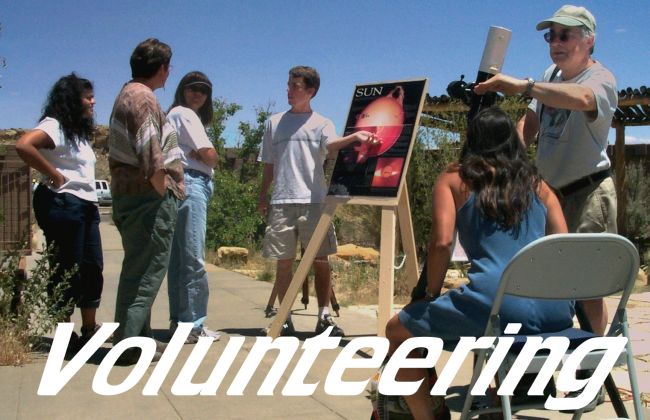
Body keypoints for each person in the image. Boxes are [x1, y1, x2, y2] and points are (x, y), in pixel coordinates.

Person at [385, 107, 576, 419]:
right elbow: (562, 245)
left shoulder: (455, 179)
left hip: (497, 304)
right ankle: (498, 405)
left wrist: (430, 294)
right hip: (555, 309)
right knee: (490, 327)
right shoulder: (538, 186)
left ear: (470, 140)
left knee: (397, 331)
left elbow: (442, 243)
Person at [474, 5, 617, 337]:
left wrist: (525, 85)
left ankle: (592, 364)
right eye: (550, 35)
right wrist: (508, 160)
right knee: (554, 281)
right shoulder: (551, 74)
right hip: (552, 195)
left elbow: (582, 98)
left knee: (587, 287)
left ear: (589, 39)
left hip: (588, 193)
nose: (556, 42)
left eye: (564, 34)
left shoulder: (600, 79)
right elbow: (532, 121)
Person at [258, 65, 377, 336]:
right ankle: (284, 317)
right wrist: (262, 196)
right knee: (284, 262)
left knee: (321, 260)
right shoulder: (274, 123)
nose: (288, 90)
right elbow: (268, 163)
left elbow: (332, 144)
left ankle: (324, 317)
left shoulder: (322, 123)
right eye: (288, 84)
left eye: (295, 86)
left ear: (310, 91)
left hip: (314, 202)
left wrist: (356, 137)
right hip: (281, 202)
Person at [108, 38, 184, 364]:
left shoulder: (129, 94)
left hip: (133, 196)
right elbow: (152, 155)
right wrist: (163, 189)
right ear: (163, 68)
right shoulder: (143, 99)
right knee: (147, 272)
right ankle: (128, 345)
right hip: (148, 199)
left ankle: (140, 339)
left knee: (138, 268)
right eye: (169, 68)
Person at [16, 73, 103, 351]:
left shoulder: (77, 132)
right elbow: (24, 145)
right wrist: (52, 173)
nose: (93, 101)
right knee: (67, 268)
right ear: (71, 99)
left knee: (92, 267)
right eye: (87, 97)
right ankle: (66, 336)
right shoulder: (54, 125)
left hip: (86, 204)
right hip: (64, 203)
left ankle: (89, 329)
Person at [166, 71, 220, 343]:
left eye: (203, 90)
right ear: (182, 90)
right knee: (193, 258)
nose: (198, 94)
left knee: (179, 260)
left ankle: (180, 322)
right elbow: (212, 157)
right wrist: (204, 154)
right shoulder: (185, 115)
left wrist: (202, 154)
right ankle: (193, 325)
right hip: (192, 182)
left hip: (179, 183)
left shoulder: (174, 115)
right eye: (193, 88)